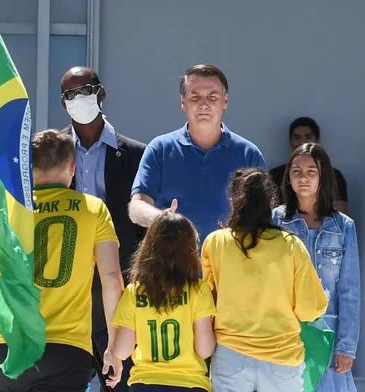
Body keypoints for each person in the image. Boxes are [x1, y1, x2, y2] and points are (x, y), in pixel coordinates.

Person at [0, 130, 124, 391]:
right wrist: (114, 346)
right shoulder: (94, 209)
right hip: (66, 347)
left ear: (28, 168)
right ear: (72, 168)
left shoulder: (5, 211)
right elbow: (111, 279)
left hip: (10, 349)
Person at [202, 168, 328, 392]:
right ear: (271, 204)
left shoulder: (215, 243)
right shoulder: (291, 245)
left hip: (230, 357)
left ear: (233, 202)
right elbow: (311, 310)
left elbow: (207, 303)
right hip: (282, 360)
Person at [60, 66, 145, 391]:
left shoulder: (136, 154)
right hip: (68, 291)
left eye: (86, 90)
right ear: (63, 102)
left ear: (101, 93)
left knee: (121, 382)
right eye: (71, 94)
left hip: (119, 285)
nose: (80, 98)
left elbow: (142, 227)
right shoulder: (52, 153)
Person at [129, 64, 266, 244]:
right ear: (183, 102)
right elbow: (136, 207)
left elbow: (265, 214)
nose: (203, 104)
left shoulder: (249, 154)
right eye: (195, 97)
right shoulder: (159, 149)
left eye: (212, 97)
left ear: (225, 101)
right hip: (171, 265)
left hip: (231, 264)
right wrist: (164, 219)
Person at [272, 143, 361, 392]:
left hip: (328, 335)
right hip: (285, 333)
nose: (303, 177)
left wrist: (346, 347)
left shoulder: (343, 226)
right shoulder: (274, 221)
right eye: (296, 171)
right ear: (287, 177)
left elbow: (349, 291)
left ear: (323, 177)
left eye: (312, 171)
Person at [112, 212, 216, 392]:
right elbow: (205, 350)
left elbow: (121, 351)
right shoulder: (199, 290)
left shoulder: (134, 292)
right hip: (190, 385)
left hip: (144, 384)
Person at [269, 117, 349, 213]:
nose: (303, 142)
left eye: (308, 137)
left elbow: (340, 216)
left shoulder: (334, 175)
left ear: (317, 140)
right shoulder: (275, 175)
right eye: (297, 137)